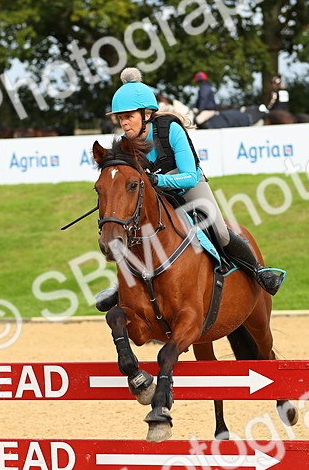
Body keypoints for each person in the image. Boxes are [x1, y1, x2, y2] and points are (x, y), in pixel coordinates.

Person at [95, 68, 284, 311]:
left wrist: (159, 181)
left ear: (147, 114)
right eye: (120, 118)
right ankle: (123, 286)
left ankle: (258, 272)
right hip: (159, 195)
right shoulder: (126, 143)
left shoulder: (170, 130)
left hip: (189, 187)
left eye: (129, 116)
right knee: (135, 231)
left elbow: (190, 176)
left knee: (220, 230)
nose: (123, 122)